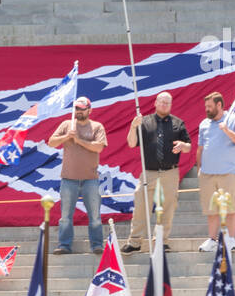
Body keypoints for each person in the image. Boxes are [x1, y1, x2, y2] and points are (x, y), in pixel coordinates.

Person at [123, 91, 191, 253]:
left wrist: (182, 145)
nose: (164, 105)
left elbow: (188, 147)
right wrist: (133, 126)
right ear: (155, 103)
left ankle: (161, 240)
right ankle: (135, 242)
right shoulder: (144, 122)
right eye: (161, 102)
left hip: (170, 172)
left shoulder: (178, 123)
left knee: (167, 207)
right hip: (148, 172)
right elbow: (132, 144)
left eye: (167, 102)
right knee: (140, 206)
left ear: (171, 105)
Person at [47, 96, 108, 255]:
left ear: (89, 110)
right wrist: (68, 136)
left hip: (91, 179)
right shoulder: (67, 125)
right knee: (65, 216)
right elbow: (51, 142)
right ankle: (64, 245)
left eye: (82, 109)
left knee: (94, 215)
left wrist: (78, 140)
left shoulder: (97, 126)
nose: (79, 111)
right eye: (76, 109)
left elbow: (99, 148)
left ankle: (97, 245)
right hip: (68, 179)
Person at [195, 91, 235, 252]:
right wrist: (199, 168)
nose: (207, 109)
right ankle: (212, 240)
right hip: (207, 174)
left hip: (228, 173)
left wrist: (227, 131)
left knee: (230, 209)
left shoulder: (234, 120)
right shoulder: (204, 124)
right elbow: (200, 148)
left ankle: (230, 240)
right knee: (211, 210)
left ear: (219, 105)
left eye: (209, 106)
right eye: (205, 107)